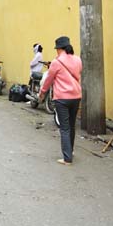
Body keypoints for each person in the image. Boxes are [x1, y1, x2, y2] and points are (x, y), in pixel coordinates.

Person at [39, 36, 83, 166]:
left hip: (62, 99)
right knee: (71, 125)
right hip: (76, 96)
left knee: (64, 128)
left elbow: (48, 80)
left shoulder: (56, 62)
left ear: (59, 49)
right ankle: (71, 151)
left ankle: (67, 158)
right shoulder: (77, 60)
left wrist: (42, 93)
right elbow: (78, 74)